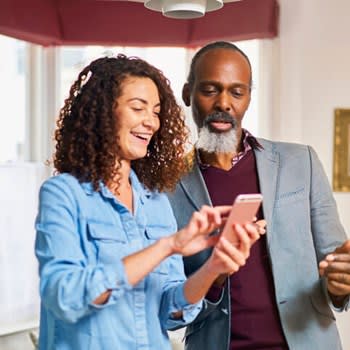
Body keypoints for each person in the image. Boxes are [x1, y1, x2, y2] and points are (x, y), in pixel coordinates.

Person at [34, 54, 264, 350]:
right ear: (103, 113)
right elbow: (65, 297)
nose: (151, 122)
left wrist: (213, 269)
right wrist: (167, 246)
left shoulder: (155, 201)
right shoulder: (63, 194)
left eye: (156, 111)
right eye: (138, 108)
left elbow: (170, 312)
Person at [167, 41, 350, 350]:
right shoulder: (164, 186)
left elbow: (334, 263)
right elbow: (171, 307)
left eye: (236, 92)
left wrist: (340, 286)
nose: (224, 103)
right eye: (210, 90)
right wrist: (213, 276)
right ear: (188, 93)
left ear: (249, 97)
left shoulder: (301, 161)